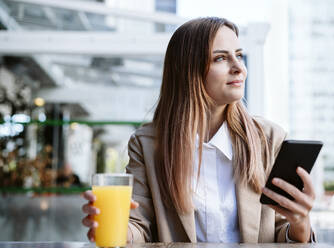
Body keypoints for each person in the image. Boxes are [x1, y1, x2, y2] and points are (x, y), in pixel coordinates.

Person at [82, 17, 316, 243]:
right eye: (220, 58)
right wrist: (117, 229)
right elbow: (138, 225)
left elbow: (282, 232)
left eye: (239, 56)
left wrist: (300, 223)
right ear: (188, 70)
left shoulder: (270, 139)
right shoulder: (148, 145)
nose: (239, 69)